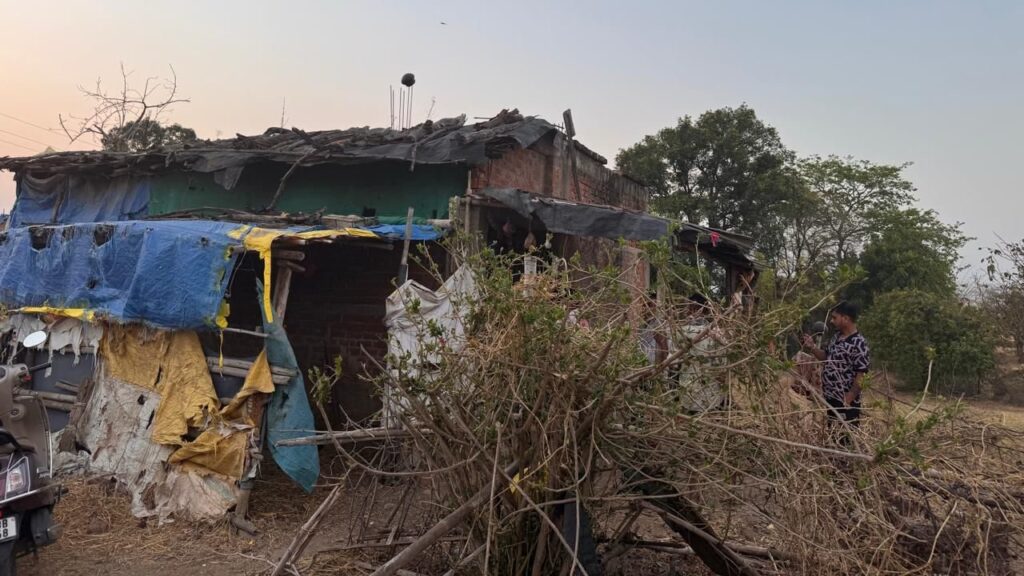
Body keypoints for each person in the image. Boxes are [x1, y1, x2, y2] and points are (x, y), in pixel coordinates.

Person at [802, 301, 870, 437]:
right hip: (831, 398)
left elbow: (861, 375)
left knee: (845, 438)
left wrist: (849, 398)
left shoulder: (859, 343)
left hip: (845, 402)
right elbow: (826, 357)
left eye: (835, 317)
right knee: (833, 435)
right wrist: (812, 347)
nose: (831, 321)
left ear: (845, 319)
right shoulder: (836, 337)